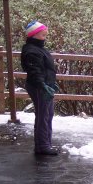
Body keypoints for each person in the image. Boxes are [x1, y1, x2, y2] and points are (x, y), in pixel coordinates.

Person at [21, 20, 59, 155]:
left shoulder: (39, 49)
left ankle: (46, 143)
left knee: (48, 115)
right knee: (43, 115)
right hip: (38, 87)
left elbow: (46, 68)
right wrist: (42, 85)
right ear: (34, 35)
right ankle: (42, 146)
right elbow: (34, 71)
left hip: (46, 85)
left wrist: (51, 82)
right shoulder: (31, 50)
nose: (45, 37)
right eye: (43, 35)